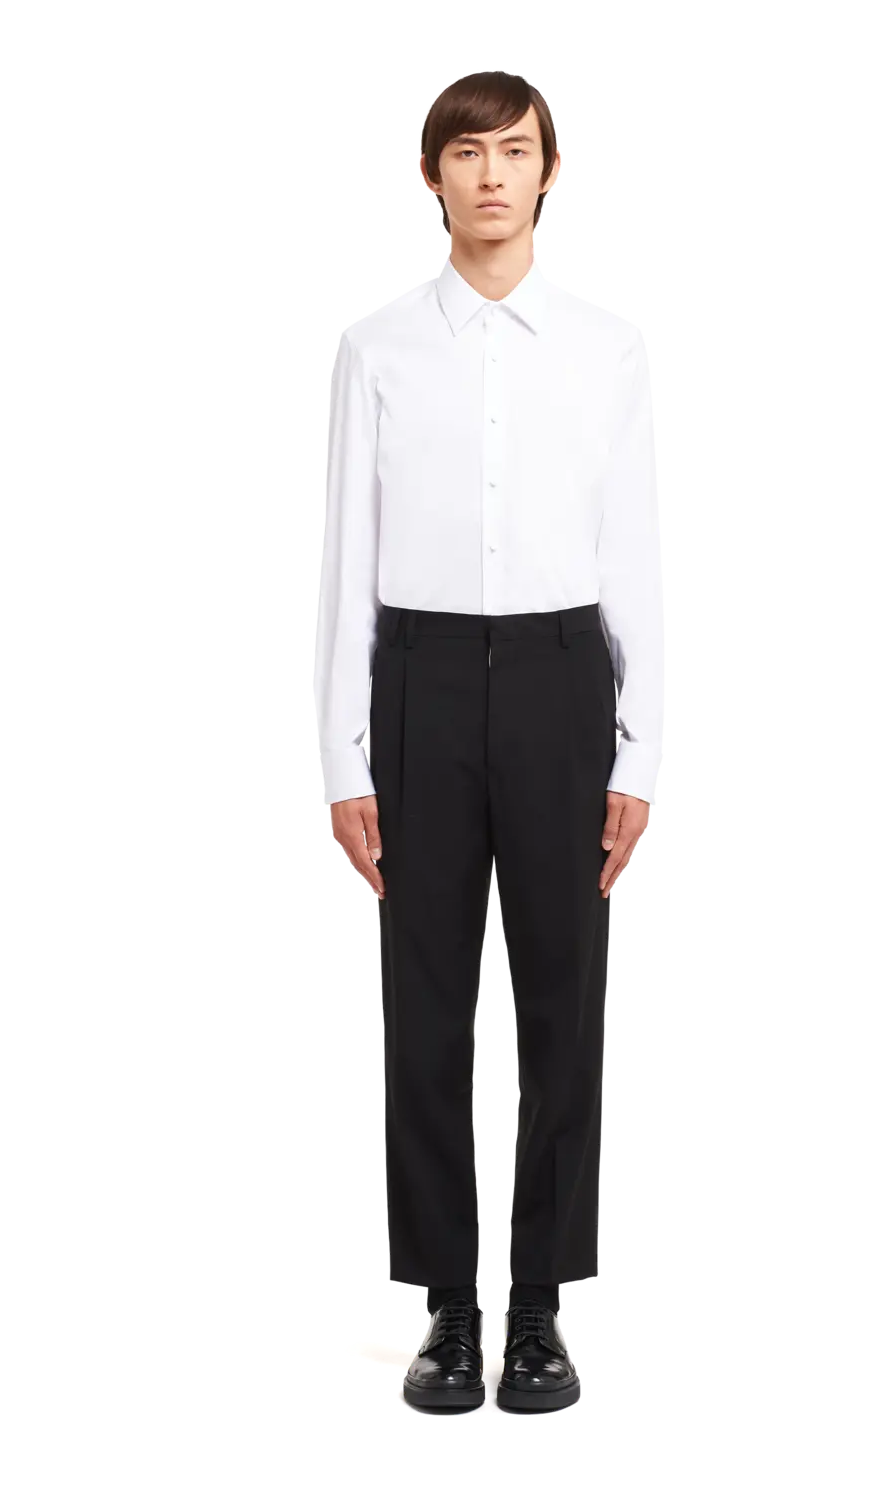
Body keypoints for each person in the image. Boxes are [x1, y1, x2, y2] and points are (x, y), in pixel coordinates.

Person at [314, 70, 665, 1413]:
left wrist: (640, 750)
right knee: (423, 1006)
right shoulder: (377, 347)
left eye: (514, 152)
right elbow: (345, 557)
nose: (491, 176)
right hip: (420, 678)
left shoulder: (608, 347)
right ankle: (449, 1311)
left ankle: (545, 1311)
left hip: (563, 680)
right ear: (433, 177)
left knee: (567, 1000)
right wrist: (343, 753)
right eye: (466, 154)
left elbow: (636, 554)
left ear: (551, 171)